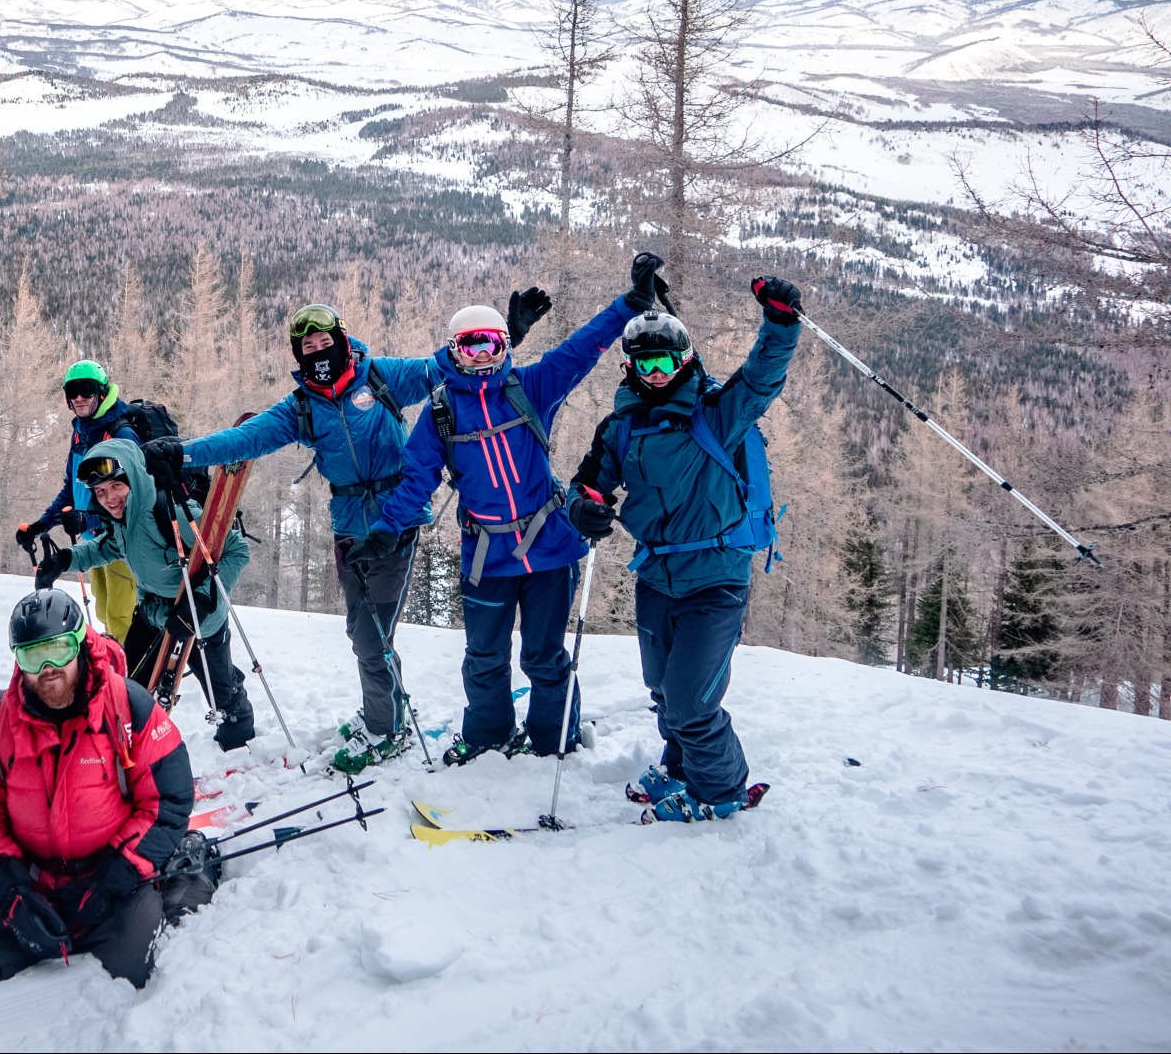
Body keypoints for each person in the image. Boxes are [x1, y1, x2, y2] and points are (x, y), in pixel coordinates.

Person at [140, 293, 549, 774]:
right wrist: (183, 454)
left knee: (374, 635)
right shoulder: (303, 408)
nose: (317, 352)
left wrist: (509, 338)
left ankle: (387, 727)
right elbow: (244, 438)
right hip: (347, 527)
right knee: (361, 629)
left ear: (340, 340)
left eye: (323, 341)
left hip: (395, 519)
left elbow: (445, 368)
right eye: (306, 347)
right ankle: (386, 708)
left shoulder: (380, 376)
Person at [355, 256, 666, 767]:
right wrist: (387, 530)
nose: (483, 357)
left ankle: (552, 743)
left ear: (504, 347)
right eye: (471, 346)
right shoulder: (439, 412)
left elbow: (582, 349)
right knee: (484, 659)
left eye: (493, 344)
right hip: (487, 554)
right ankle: (487, 737)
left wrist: (630, 305)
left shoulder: (532, 388)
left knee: (545, 657)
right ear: (453, 351)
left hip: (550, 545)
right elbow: (417, 480)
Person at [567, 276, 804, 820]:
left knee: (693, 703)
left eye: (666, 363)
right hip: (656, 575)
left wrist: (781, 322)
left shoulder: (716, 415)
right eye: (644, 364)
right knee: (662, 691)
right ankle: (679, 767)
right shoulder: (620, 427)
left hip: (716, 578)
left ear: (685, 359)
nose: (656, 374)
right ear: (628, 366)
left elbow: (762, 378)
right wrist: (584, 507)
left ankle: (719, 791)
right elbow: (589, 483)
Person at [0, 589, 194, 989]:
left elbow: (170, 799)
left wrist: (120, 871)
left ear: (80, 645)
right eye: (32, 655)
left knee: (126, 969)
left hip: (113, 874)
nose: (48, 667)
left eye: (59, 649)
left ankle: (173, 880)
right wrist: (11, 889)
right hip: (37, 880)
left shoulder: (130, 707)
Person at [32, 439, 256, 750]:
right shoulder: (124, 520)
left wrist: (202, 601)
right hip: (153, 614)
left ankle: (239, 737)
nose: (110, 498)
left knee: (222, 689)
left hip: (198, 616)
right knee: (130, 686)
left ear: (133, 479)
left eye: (115, 486)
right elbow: (107, 547)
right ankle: (128, 745)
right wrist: (65, 560)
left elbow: (236, 550)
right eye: (100, 492)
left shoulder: (172, 512)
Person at [14, 360, 142, 641]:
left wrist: (89, 518)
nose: (79, 398)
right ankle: (118, 672)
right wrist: (41, 525)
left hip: (123, 539)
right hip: (93, 539)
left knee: (122, 617)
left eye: (86, 390)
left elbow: (135, 497)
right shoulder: (81, 433)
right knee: (105, 611)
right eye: (73, 391)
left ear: (102, 392)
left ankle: (131, 681)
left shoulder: (120, 433)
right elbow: (71, 490)